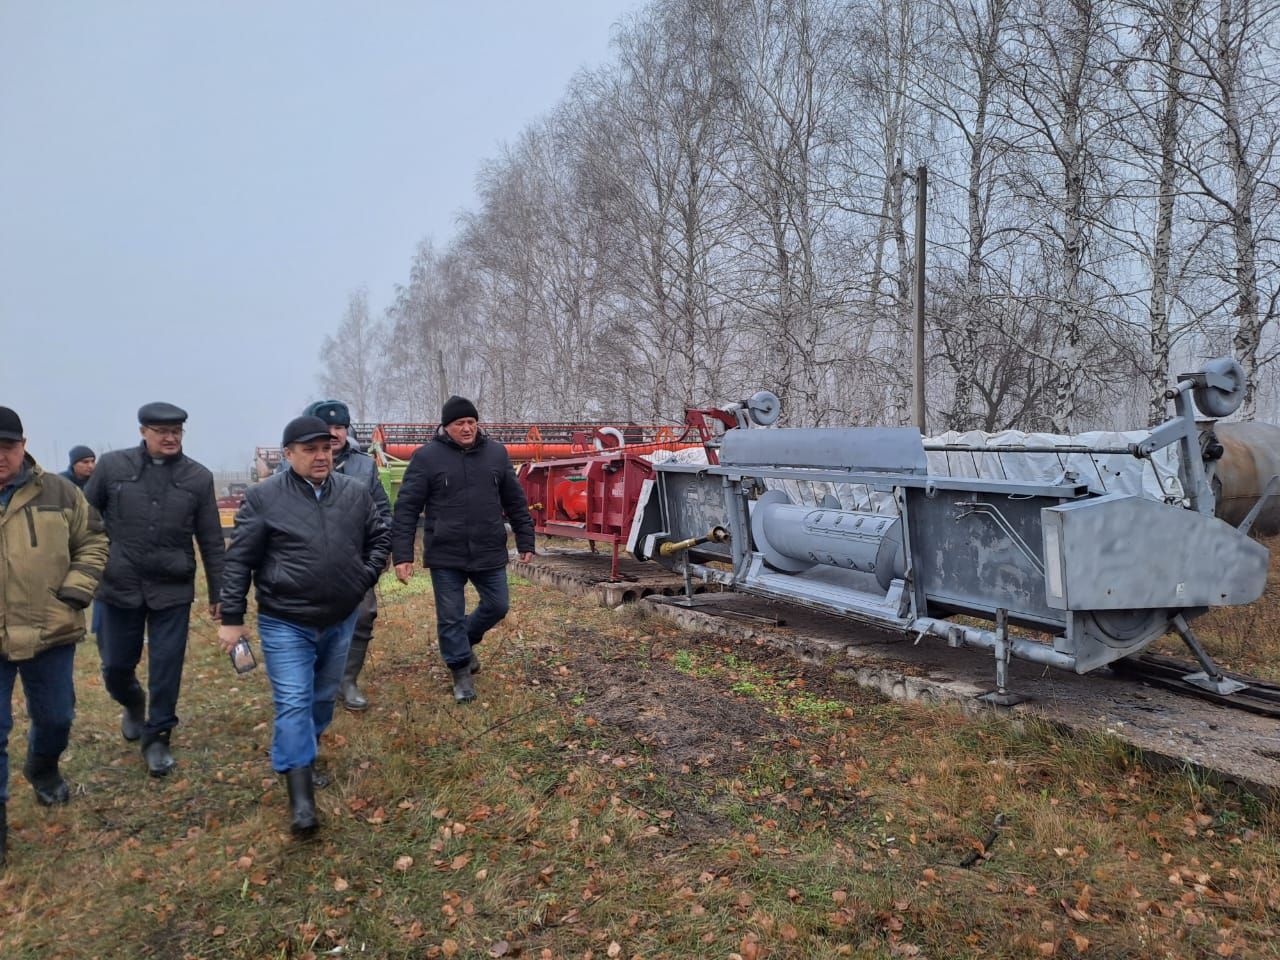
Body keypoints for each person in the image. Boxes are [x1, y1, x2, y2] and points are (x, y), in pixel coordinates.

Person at [219, 415, 390, 835]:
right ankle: (301, 801)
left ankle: (296, 752)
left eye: (326, 448)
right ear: (289, 454)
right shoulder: (264, 498)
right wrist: (232, 619)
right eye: (310, 449)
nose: (320, 456)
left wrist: (362, 578)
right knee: (294, 700)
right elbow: (239, 559)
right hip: (286, 621)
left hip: (339, 617)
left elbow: (380, 537)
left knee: (320, 699)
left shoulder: (353, 492)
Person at [84, 403, 225, 777]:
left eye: (176, 431)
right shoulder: (113, 468)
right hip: (118, 585)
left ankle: (158, 735)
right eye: (162, 431)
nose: (170, 437)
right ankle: (132, 703)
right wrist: (96, 562)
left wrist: (220, 593)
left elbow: (211, 540)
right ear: (143, 431)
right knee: (115, 666)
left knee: (166, 666)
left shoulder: (197, 477)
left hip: (172, 587)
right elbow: (84, 519)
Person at [0, 407, 109, 865]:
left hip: (50, 629)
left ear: (23, 445)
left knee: (57, 718)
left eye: (6, 447)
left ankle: (42, 768)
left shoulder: (60, 492)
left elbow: (93, 540)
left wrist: (75, 592)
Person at [391, 395, 535, 703]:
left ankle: (461, 643)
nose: (467, 428)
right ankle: (460, 672)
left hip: (488, 548)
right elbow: (406, 509)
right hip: (446, 552)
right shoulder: (427, 458)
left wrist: (526, 538)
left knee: (498, 605)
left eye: (471, 422)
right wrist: (402, 555)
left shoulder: (496, 454)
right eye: (460, 423)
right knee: (450, 616)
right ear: (446, 426)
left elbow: (515, 501)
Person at [304, 400, 391, 711]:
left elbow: (382, 511)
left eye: (340, 427)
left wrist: (382, 548)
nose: (334, 433)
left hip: (355, 558)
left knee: (364, 615)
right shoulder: (293, 464)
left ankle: (347, 679)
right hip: (308, 561)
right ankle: (314, 676)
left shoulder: (363, 465)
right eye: (327, 428)